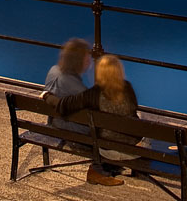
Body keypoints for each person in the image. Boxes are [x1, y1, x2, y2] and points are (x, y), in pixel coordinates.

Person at [46, 54, 140, 186]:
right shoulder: (128, 88)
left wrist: (48, 97)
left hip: (106, 149)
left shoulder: (94, 94)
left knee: (88, 129)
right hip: (133, 147)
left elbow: (64, 105)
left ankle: (98, 168)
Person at [43, 38, 91, 134]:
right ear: (78, 61)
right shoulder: (79, 90)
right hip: (73, 131)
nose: (89, 61)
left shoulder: (53, 71)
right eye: (87, 59)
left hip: (54, 123)